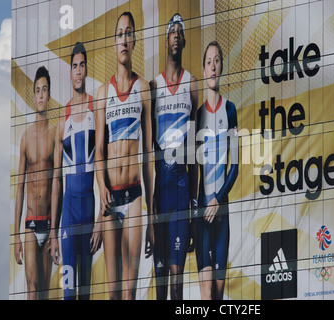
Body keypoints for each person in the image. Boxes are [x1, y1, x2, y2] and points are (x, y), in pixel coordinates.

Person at [95, 11, 153, 300]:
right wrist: (102, 187)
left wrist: (151, 211)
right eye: (119, 34)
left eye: (129, 33)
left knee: (129, 294)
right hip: (110, 197)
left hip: (133, 195)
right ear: (114, 42)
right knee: (113, 293)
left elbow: (149, 152)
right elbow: (98, 153)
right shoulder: (102, 93)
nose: (124, 39)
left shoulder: (143, 89)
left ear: (134, 41)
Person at [149, 13, 198, 300]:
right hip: (160, 191)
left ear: (184, 40)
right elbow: (148, 150)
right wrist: (149, 201)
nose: (177, 35)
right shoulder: (153, 87)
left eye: (180, 32)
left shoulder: (192, 83)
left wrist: (192, 204)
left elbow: (194, 152)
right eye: (172, 32)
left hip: (180, 189)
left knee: (177, 279)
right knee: (160, 278)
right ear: (166, 40)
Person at [50, 42, 102, 300]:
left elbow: (102, 161)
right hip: (69, 218)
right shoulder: (63, 119)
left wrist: (101, 221)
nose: (78, 71)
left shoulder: (96, 109)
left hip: (89, 215)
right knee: (68, 294)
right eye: (74, 66)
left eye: (82, 65)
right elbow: (56, 182)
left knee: (86, 294)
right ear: (70, 73)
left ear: (86, 70)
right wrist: (53, 233)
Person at [195, 41, 239, 300]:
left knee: (219, 299)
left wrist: (218, 198)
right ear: (203, 69)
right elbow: (193, 171)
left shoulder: (230, 110)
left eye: (217, 61)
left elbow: (235, 167)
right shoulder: (197, 115)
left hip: (222, 214)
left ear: (222, 67)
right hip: (202, 218)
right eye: (209, 61)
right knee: (206, 297)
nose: (213, 66)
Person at [13, 66, 56, 300]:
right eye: (37, 90)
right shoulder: (25, 138)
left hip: (48, 225)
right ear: (33, 96)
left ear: (49, 95)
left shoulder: (55, 134)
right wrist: (16, 236)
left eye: (44, 90)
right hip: (30, 224)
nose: (40, 95)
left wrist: (56, 231)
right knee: (32, 289)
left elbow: (59, 184)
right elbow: (19, 188)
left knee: (45, 293)